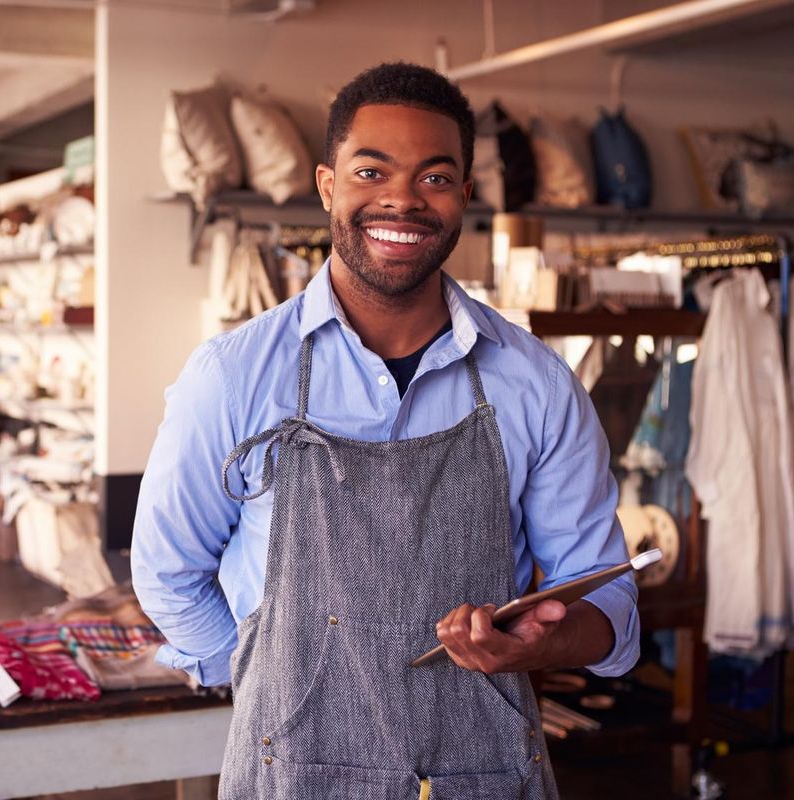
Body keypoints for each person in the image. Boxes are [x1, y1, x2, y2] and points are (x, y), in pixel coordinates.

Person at [131, 62, 638, 799]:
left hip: (485, 772)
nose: (402, 199)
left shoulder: (536, 384)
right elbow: (168, 571)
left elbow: (611, 607)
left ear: (465, 195)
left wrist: (543, 643)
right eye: (371, 171)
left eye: (435, 177)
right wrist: (264, 680)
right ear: (327, 185)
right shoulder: (233, 376)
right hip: (290, 775)